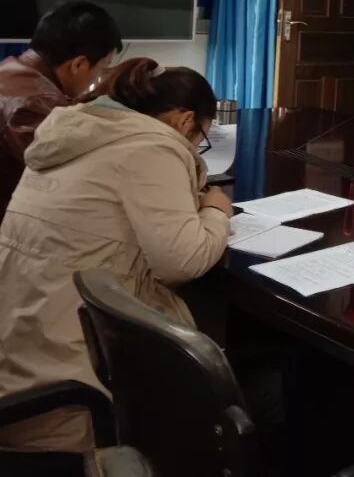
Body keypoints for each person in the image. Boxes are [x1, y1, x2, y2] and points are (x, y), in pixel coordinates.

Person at [0, 58, 233, 453]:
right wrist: (216, 211)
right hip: (67, 395)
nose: (196, 148)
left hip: (17, 359)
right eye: (200, 139)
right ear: (184, 121)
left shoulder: (74, 133)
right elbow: (183, 261)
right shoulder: (152, 147)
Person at [0, 1, 122, 216]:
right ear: (78, 65)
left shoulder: (9, 68)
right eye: (102, 68)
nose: (99, 77)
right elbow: (63, 179)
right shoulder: (36, 102)